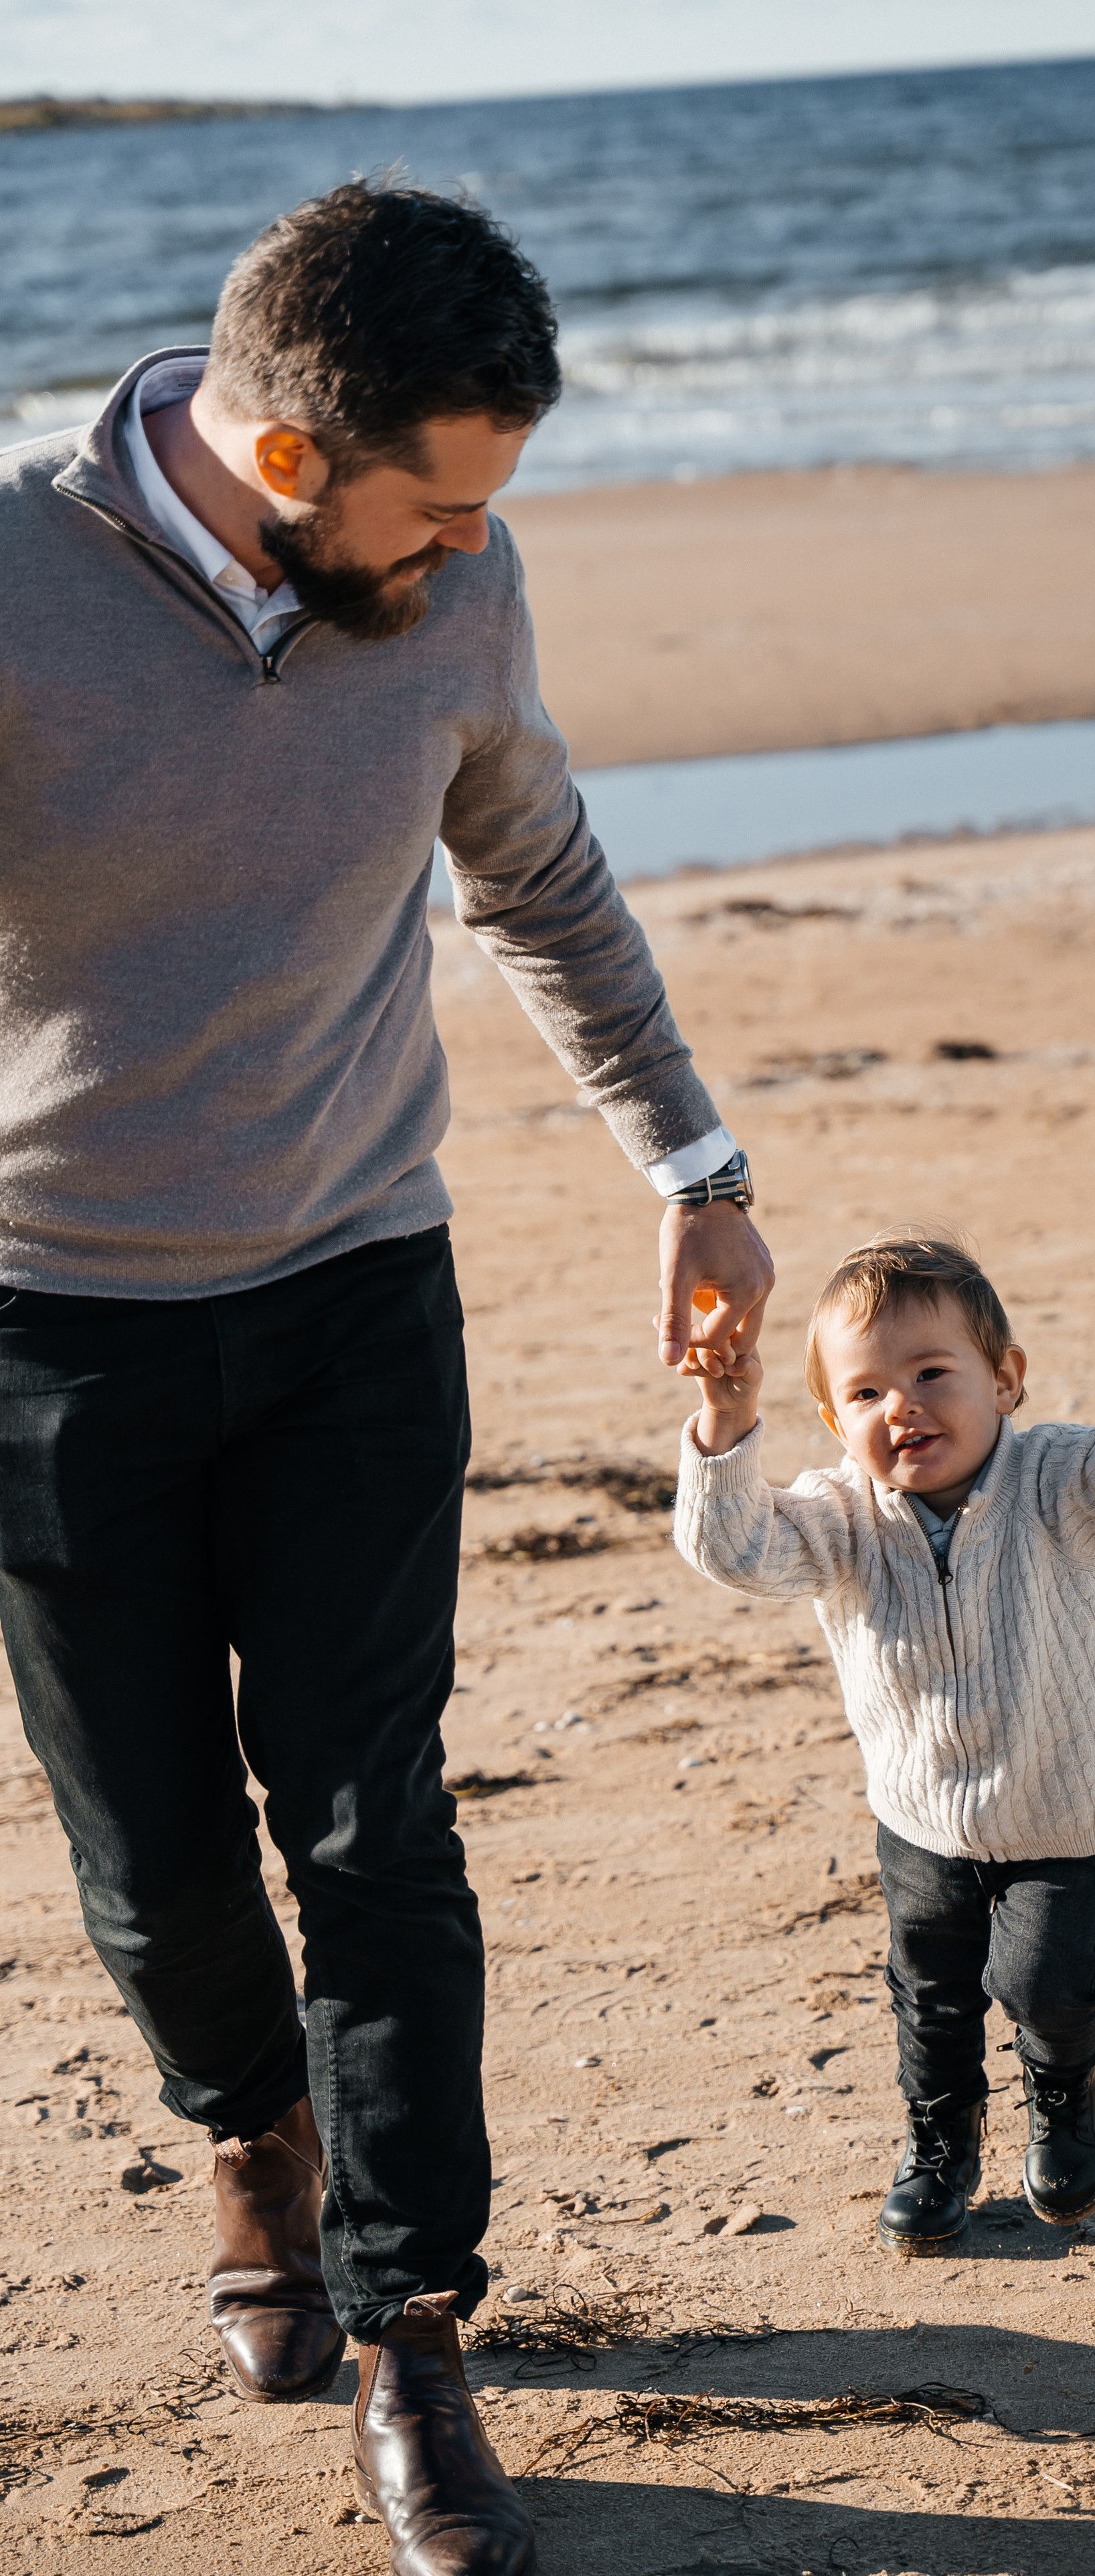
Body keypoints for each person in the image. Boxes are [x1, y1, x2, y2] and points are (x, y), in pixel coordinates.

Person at [0, 179, 771, 2575]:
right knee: (152, 1861)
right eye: (436, 507)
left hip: (353, 1295)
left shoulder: (457, 592)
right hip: (48, 1329)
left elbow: (540, 872)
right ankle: (252, 2129)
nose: (466, 559)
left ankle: (415, 2321)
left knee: (376, 1826)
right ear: (290, 454)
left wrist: (698, 1161)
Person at [673, 1229, 1095, 2249]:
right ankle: (939, 2143)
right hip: (920, 1819)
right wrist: (725, 1424)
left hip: (1057, 1811)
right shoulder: (839, 1517)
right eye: (867, 1394)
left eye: (930, 1374)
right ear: (834, 1420)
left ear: (1005, 1379)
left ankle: (1069, 2094)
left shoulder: (1063, 1486)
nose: (902, 1407)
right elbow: (732, 1548)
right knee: (931, 2003)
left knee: (1045, 1985)